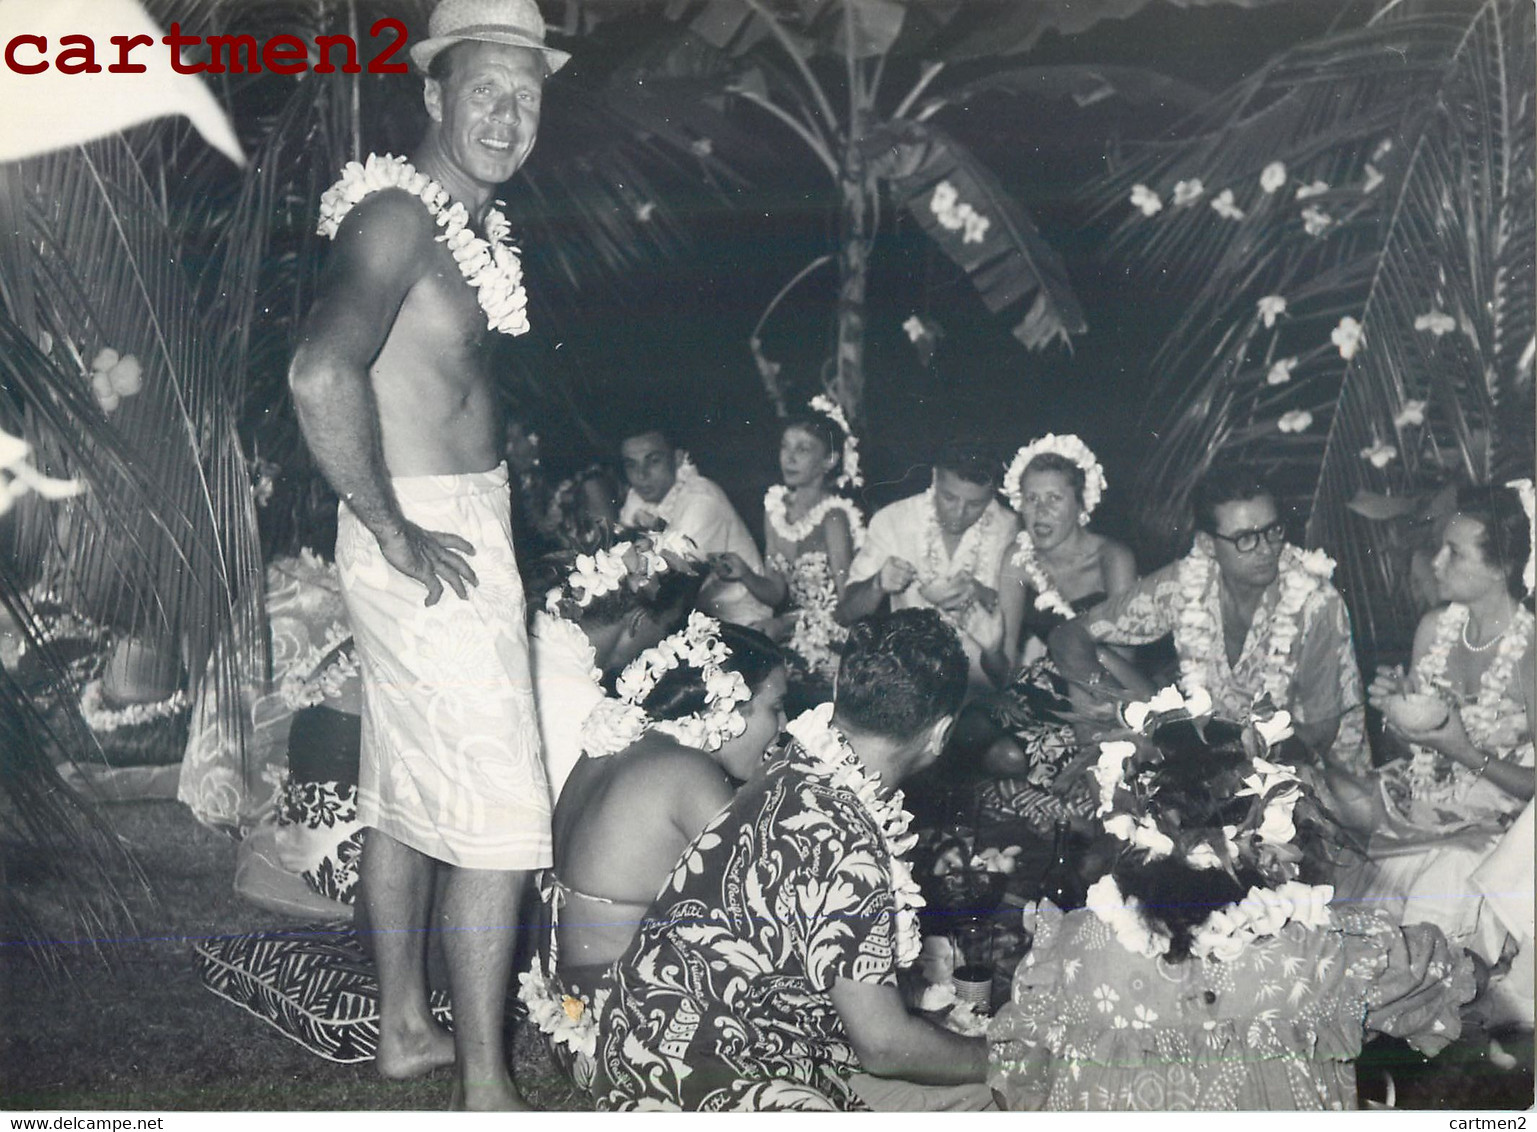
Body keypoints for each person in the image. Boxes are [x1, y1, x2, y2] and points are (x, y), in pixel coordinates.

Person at [284, 0, 568, 1108]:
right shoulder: (398, 214)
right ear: (434, 93)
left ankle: (408, 1027)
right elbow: (320, 373)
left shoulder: (461, 219)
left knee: (404, 792)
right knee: (501, 816)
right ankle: (488, 1095)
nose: (506, 116)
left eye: (527, 94)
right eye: (484, 91)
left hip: (448, 522)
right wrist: (397, 528)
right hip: (426, 532)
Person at [988, 689, 1479, 1111]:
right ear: (1265, 833)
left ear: (1130, 827)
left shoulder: (1071, 947)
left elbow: (1016, 1078)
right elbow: (1442, 978)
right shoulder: (1322, 951)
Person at [592, 609, 995, 1112]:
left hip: (632, 1061)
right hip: (700, 1087)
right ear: (940, 733)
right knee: (991, 1094)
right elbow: (884, 1045)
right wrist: (994, 1057)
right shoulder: (850, 840)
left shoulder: (784, 762)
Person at [518, 618, 789, 1092]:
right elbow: (774, 909)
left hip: (571, 1023)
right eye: (777, 708)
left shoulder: (615, 746)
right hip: (633, 1036)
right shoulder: (686, 771)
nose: (783, 728)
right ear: (730, 706)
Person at [1050, 465, 1369, 779]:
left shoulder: (1316, 604)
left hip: (1314, 781)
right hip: (1210, 761)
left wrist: (1205, 754)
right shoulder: (1185, 582)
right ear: (1206, 544)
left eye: (1273, 531)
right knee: (1098, 664)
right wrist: (1117, 704)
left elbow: (1316, 738)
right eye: (1245, 538)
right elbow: (1068, 636)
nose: (1266, 550)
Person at [1354, 482, 1534, 968]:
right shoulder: (1434, 629)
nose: (1435, 564)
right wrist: (1393, 708)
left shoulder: (1532, 652)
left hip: (1500, 833)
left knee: (1440, 883)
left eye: (1453, 553)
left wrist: (1464, 752)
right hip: (1422, 811)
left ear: (1502, 567)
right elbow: (1409, 745)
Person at [950, 435, 1145, 831]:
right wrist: (990, 649)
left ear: (1081, 504)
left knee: (1006, 757)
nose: (1040, 511)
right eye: (1031, 498)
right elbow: (1003, 671)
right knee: (964, 732)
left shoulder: (1113, 558)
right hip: (1039, 683)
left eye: (1054, 498)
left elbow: (1126, 669)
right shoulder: (1018, 560)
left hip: (1100, 691)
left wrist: (1074, 663)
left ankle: (1064, 817)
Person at [530, 531, 702, 802]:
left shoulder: (533, 640)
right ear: (638, 621)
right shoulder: (588, 709)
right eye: (667, 631)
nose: (664, 643)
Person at [713, 396, 865, 701]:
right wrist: (744, 574)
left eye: (803, 449)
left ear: (829, 460)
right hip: (791, 634)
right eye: (785, 446)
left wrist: (785, 623)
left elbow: (848, 608)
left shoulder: (833, 517)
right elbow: (776, 591)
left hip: (833, 639)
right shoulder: (776, 508)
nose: (789, 458)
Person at [838, 440, 1019, 689]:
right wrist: (877, 584)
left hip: (981, 686)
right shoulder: (892, 520)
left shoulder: (1011, 530)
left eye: (975, 504)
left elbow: (1009, 663)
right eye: (948, 497)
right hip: (908, 680)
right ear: (935, 477)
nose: (958, 513)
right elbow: (845, 613)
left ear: (993, 492)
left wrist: (983, 595)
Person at [617, 424, 771, 625]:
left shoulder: (702, 499)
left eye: (653, 461)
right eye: (631, 465)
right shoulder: (638, 497)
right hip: (692, 618)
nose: (641, 475)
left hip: (742, 622)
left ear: (678, 458)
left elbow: (669, 585)